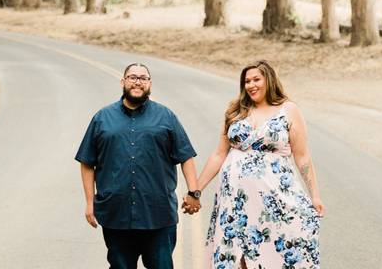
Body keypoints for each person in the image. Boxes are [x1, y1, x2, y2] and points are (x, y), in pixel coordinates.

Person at [192, 60, 323, 269]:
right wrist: (195, 189)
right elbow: (218, 154)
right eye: (247, 81)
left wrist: (314, 195)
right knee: (237, 256)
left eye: (256, 79)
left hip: (273, 198)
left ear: (269, 80)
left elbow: (303, 157)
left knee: (273, 251)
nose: (251, 85)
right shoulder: (236, 111)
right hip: (234, 199)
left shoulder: (288, 110)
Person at [76, 63, 203, 269]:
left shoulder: (166, 117)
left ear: (150, 84)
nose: (137, 81)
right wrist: (90, 202)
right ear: (123, 81)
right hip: (116, 215)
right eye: (132, 77)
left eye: (143, 78)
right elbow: (87, 162)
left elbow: (186, 156)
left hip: (158, 215)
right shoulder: (102, 118)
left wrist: (194, 192)